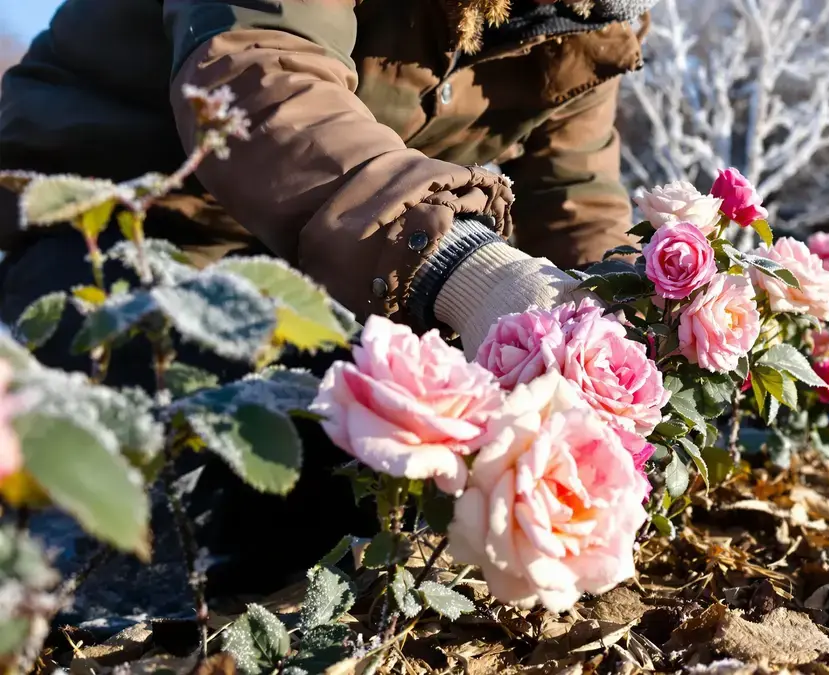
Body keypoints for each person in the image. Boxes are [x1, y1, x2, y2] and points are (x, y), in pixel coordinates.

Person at [0, 0, 655, 595]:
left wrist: (632, 331)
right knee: (213, 494)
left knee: (363, 482)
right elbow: (260, 71)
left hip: (314, 271)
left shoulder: (583, 16)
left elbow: (573, 198)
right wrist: (462, 264)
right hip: (124, 224)